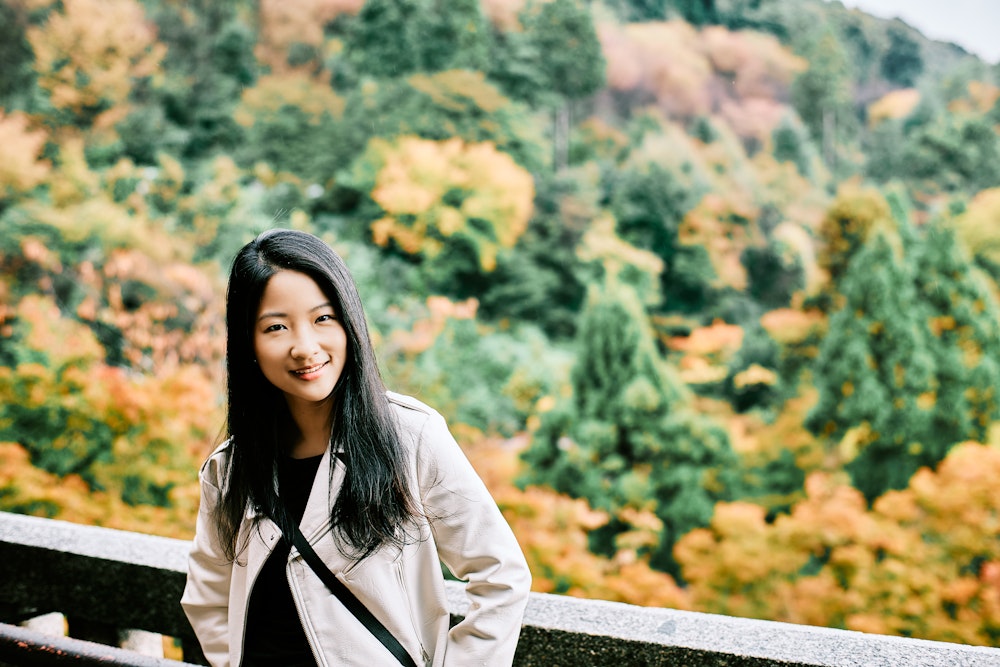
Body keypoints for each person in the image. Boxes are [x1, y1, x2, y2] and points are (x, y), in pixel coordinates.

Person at [181, 229, 531, 667]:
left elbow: (501, 575)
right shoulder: (231, 468)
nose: (305, 347)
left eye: (322, 318)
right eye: (276, 326)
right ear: (247, 343)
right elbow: (207, 597)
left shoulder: (409, 436)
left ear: (350, 320)